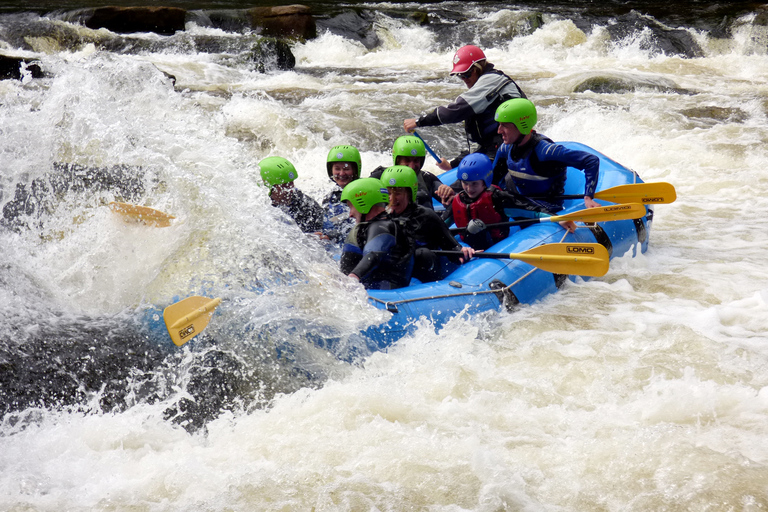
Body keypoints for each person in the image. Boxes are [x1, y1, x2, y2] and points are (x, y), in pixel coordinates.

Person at [403, 45, 527, 170]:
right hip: (497, 146)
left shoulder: (491, 80)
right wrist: (453, 165)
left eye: (467, 74)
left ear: (478, 68)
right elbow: (484, 143)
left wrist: (419, 122)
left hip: (510, 147)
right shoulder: (487, 83)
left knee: (461, 185)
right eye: (460, 75)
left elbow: (455, 112)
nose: (464, 79)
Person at [492, 98, 601, 212]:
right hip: (523, 203)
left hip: (548, 208)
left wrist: (588, 197)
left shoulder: (546, 151)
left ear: (521, 125)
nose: (499, 131)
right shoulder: (505, 148)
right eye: (499, 125)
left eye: (504, 125)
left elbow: (591, 161)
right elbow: (492, 183)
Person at [451, 153, 568, 250]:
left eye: (474, 184)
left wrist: (556, 219)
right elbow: (441, 225)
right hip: (467, 246)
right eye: (465, 183)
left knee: (474, 227)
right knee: (471, 228)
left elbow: (533, 210)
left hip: (495, 244)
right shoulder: (458, 200)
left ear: (485, 181)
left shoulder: (497, 198)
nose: (469, 189)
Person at [380, 165, 475, 283]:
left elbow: (452, 247)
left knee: (422, 254)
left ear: (410, 193)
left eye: (398, 193)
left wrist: (463, 252)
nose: (392, 199)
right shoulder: (380, 218)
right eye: (388, 193)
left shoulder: (427, 216)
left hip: (424, 272)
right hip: (394, 272)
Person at [339, 178, 414, 290]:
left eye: (351, 207)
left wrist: (352, 278)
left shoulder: (382, 228)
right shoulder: (373, 225)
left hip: (384, 291)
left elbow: (373, 255)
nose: (350, 214)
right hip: (371, 286)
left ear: (363, 203)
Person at [369, 135, 455, 210]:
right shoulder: (379, 177)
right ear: (397, 160)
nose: (412, 166)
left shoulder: (427, 178)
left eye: (416, 161)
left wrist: (448, 193)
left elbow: (453, 202)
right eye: (406, 160)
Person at [258, 156, 324, 233]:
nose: (290, 189)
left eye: (291, 183)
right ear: (268, 187)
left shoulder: (307, 206)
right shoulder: (258, 208)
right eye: (284, 185)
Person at [320, 145, 360, 245]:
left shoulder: (363, 192)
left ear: (355, 170)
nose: (341, 174)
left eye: (346, 169)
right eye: (337, 169)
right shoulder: (329, 199)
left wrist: (333, 236)